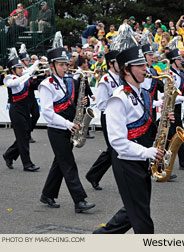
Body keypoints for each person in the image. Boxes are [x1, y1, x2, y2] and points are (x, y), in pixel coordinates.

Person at [93, 45, 173, 234]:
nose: (146, 68)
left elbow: (144, 127)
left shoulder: (143, 94)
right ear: (127, 70)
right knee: (143, 219)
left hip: (141, 161)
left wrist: (163, 121)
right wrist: (147, 152)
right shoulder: (118, 100)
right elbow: (117, 142)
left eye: (145, 64)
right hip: (127, 163)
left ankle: (101, 237)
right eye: (140, 65)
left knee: (135, 209)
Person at [38, 40, 95, 212]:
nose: (65, 68)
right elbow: (47, 113)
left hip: (71, 127)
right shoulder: (46, 85)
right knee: (68, 164)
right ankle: (80, 201)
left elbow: (80, 98)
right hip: (57, 130)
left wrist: (86, 101)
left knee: (60, 163)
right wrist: (68, 124)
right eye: (61, 65)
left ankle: (47, 194)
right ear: (52, 66)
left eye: (66, 64)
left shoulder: (70, 81)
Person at [85, 49, 120, 190]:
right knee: (114, 149)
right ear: (111, 64)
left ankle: (93, 175)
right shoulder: (105, 80)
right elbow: (101, 104)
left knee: (113, 149)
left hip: (119, 117)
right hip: (109, 117)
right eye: (118, 62)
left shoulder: (122, 78)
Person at [2, 49, 40, 172]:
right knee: (23, 137)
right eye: (18, 68)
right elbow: (15, 83)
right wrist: (27, 75)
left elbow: (28, 71)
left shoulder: (22, 75)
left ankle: (9, 155)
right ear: (13, 69)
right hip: (16, 110)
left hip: (24, 110)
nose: (21, 69)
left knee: (24, 135)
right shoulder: (8, 78)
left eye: (21, 67)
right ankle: (27, 164)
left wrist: (37, 63)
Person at [19, 46, 40, 143]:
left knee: (36, 114)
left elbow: (33, 85)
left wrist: (37, 80)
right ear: (22, 61)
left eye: (28, 60)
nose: (28, 61)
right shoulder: (22, 71)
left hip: (31, 96)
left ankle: (28, 131)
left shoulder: (30, 70)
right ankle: (27, 135)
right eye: (26, 60)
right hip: (25, 97)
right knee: (27, 117)